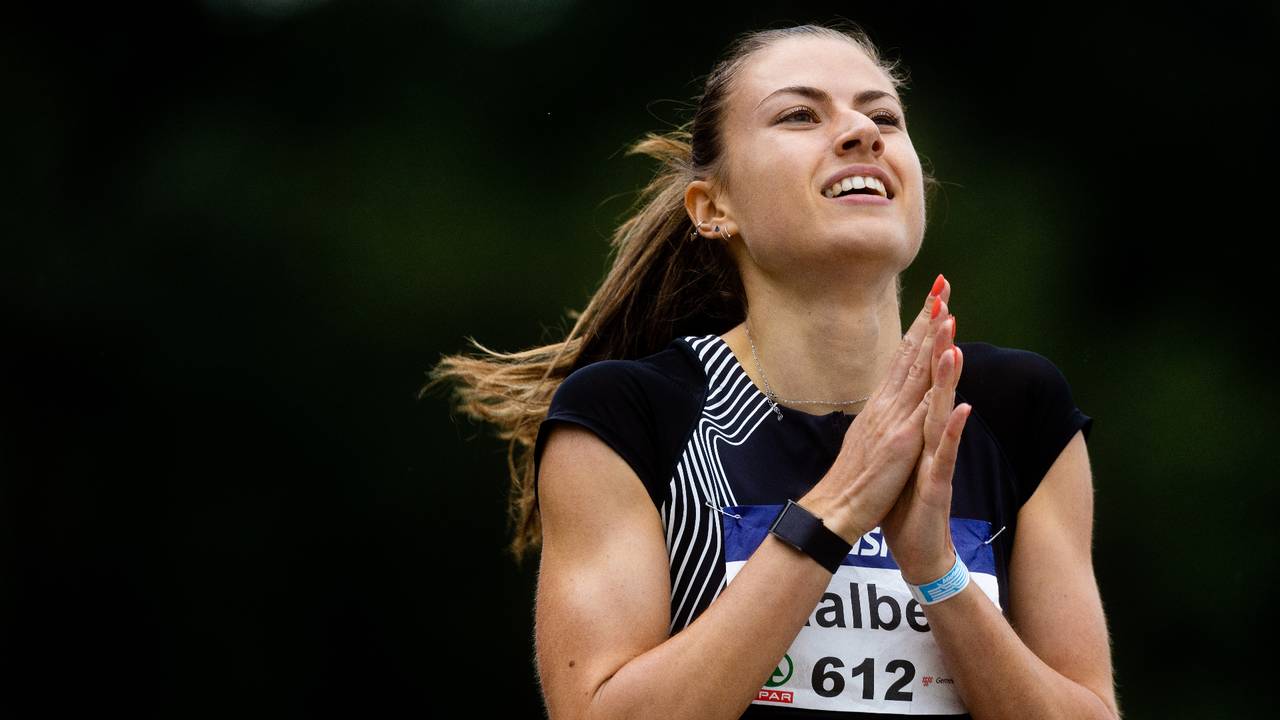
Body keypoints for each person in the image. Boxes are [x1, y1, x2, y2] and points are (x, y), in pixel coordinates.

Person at [426, 20, 1118, 720]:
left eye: (884, 116)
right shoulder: (626, 416)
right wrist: (837, 508)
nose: (861, 134)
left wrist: (937, 574)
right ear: (713, 207)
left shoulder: (1016, 410)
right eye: (799, 115)